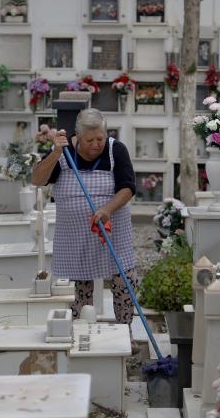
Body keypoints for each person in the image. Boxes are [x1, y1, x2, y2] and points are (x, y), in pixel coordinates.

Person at [31, 108, 138, 325]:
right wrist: (55, 153)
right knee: (79, 289)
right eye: (90, 140)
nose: (96, 144)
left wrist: (108, 209)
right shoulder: (63, 151)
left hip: (111, 227)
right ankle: (79, 333)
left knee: (124, 281)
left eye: (100, 138)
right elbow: (38, 180)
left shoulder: (115, 150)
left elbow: (128, 187)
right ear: (77, 137)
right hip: (75, 235)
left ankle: (125, 334)